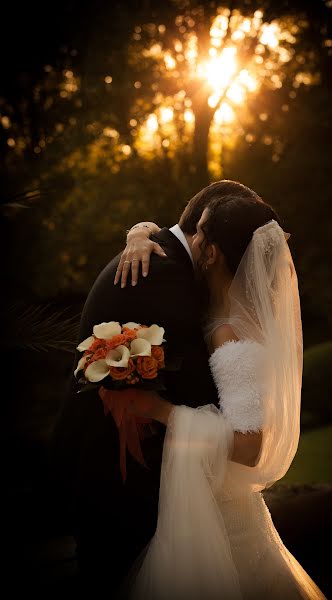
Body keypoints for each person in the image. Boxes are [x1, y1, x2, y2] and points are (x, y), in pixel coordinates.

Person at [50, 180, 267, 600]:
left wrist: (140, 229)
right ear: (207, 235)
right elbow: (199, 397)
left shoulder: (169, 263)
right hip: (116, 482)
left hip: (125, 479)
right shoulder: (165, 275)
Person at [106, 195, 328, 599]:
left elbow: (248, 447)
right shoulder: (212, 311)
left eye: (201, 229)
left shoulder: (228, 332)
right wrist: (139, 230)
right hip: (209, 508)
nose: (191, 234)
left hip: (226, 524)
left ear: (211, 252)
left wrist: (161, 411)